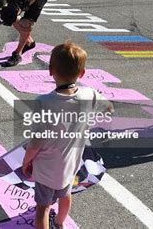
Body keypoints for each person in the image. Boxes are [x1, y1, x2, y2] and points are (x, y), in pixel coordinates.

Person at [22, 41, 113, 229]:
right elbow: (109, 108)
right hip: (71, 164)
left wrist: (26, 161)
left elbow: (36, 143)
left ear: (50, 70)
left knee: (42, 208)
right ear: (82, 73)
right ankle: (60, 223)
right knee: (65, 194)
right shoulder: (89, 94)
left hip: (46, 168)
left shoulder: (43, 102)